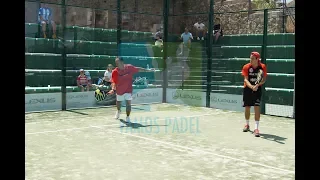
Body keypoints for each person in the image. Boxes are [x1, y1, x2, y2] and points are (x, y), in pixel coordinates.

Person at [109, 57, 155, 124]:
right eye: (116, 62)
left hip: (128, 90)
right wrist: (113, 89)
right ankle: (118, 111)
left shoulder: (129, 68)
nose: (116, 64)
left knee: (128, 103)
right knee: (119, 103)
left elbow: (138, 69)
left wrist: (148, 70)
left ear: (122, 62)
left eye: (117, 62)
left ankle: (127, 117)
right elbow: (113, 82)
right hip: (119, 91)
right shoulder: (115, 72)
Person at [241, 52, 267, 137]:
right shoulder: (246, 67)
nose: (250, 60)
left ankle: (256, 128)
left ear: (257, 59)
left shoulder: (262, 67)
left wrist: (258, 85)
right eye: (250, 58)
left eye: (252, 58)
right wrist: (252, 87)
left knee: (257, 107)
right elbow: (245, 80)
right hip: (247, 89)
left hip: (257, 90)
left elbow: (263, 79)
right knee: (247, 107)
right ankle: (247, 124)